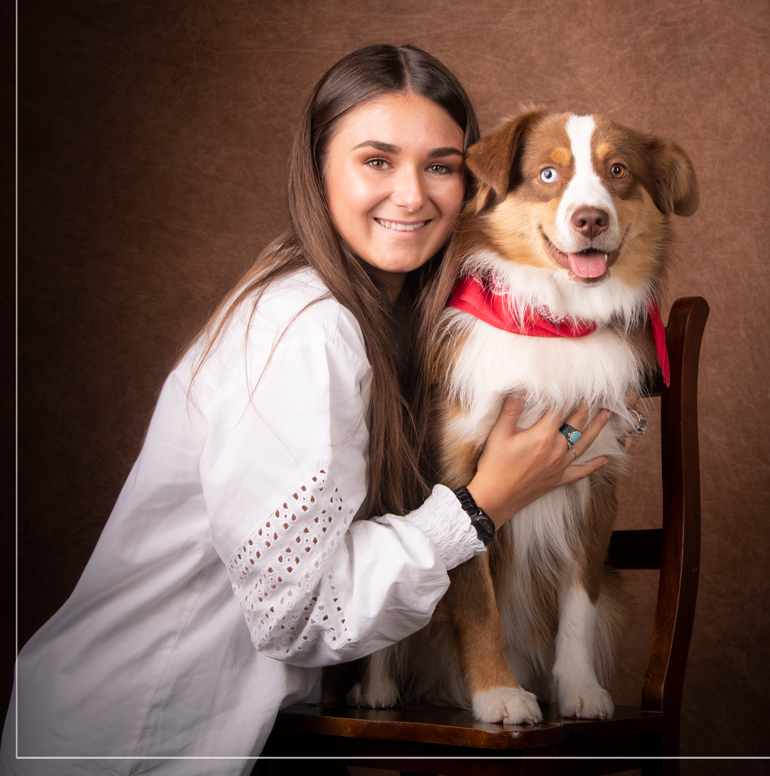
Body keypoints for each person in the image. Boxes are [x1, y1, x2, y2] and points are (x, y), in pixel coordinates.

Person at [2, 45, 611, 775]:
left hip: (259, 736)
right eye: (377, 161)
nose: (412, 196)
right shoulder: (303, 329)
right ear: (318, 169)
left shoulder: (391, 320)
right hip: (131, 739)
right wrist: (480, 506)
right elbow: (298, 618)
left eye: (440, 166)